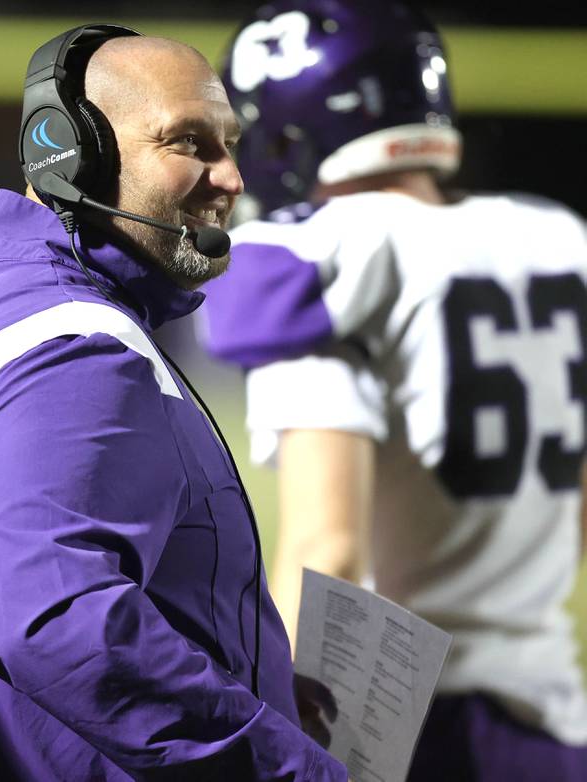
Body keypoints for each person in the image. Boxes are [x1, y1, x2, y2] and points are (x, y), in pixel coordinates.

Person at [0, 25, 349, 782]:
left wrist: (251, 689)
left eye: (230, 144)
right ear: (73, 153)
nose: (231, 177)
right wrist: (289, 768)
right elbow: (62, 626)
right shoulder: (75, 349)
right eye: (189, 142)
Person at [200, 1, 587, 779]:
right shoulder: (558, 239)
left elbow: (328, 550)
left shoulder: (333, 259)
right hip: (554, 718)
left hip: (409, 727)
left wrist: (292, 740)